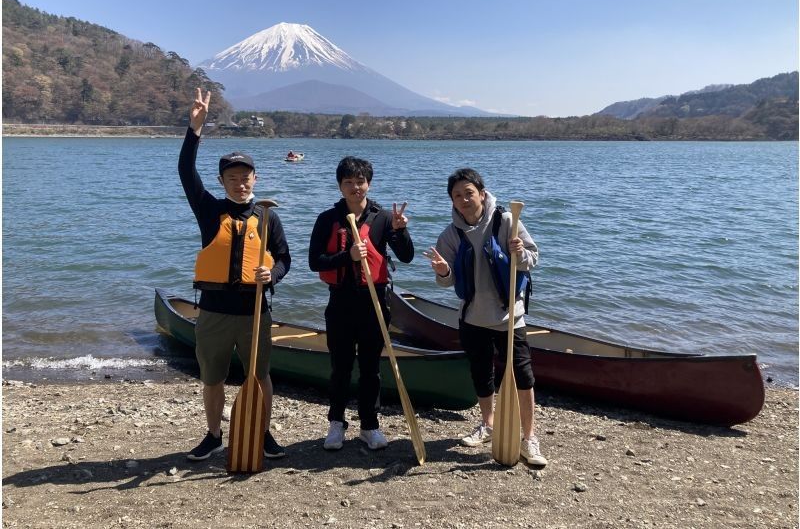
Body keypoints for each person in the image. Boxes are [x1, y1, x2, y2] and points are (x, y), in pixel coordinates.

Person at [179, 88, 291, 461]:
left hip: (255, 311)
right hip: (213, 311)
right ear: (222, 180)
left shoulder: (267, 216)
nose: (240, 182)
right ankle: (213, 435)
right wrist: (195, 130)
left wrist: (270, 275)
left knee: (259, 376)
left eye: (246, 176)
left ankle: (260, 431)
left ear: (255, 179)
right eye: (232, 177)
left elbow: (286, 260)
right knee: (212, 378)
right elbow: (185, 172)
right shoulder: (209, 211)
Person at [423, 168, 547, 466]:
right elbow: (447, 280)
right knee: (482, 375)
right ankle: (489, 425)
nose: (464, 199)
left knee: (523, 376)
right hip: (473, 319)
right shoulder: (451, 234)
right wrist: (442, 271)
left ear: (481, 192)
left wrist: (520, 253)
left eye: (469, 192)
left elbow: (533, 258)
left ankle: (529, 438)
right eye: (457, 195)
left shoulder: (507, 221)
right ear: (451, 201)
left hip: (509, 317)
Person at [308, 156, 414, 451]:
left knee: (370, 368)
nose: (356, 187)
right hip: (340, 301)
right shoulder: (327, 219)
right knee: (340, 366)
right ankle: (336, 423)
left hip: (375, 301)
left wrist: (401, 230)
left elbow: (406, 256)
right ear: (340, 185)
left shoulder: (382, 218)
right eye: (349, 182)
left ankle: (370, 425)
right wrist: (348, 257)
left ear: (369, 183)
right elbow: (314, 261)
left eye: (360, 181)